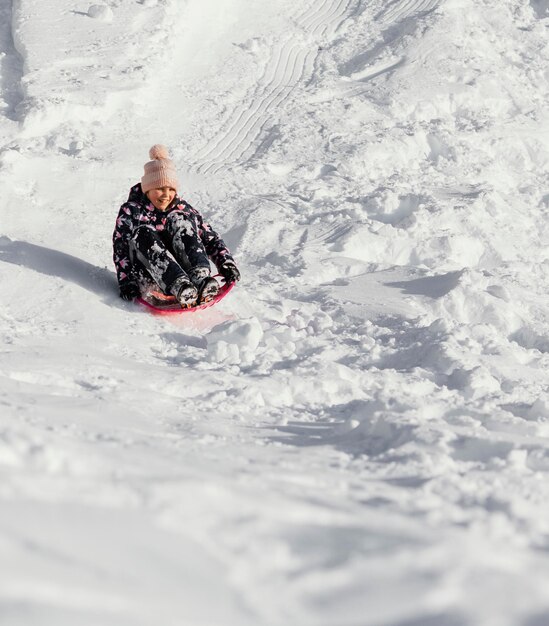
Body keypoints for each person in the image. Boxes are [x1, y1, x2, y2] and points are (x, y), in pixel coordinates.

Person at [113, 145, 240, 307]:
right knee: (144, 232)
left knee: (181, 221)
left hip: (188, 279)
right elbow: (121, 248)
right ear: (147, 189)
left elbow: (209, 238)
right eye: (159, 188)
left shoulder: (182, 209)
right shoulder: (131, 211)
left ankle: (199, 278)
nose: (166, 194)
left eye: (171, 189)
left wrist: (226, 263)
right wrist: (127, 282)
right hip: (147, 274)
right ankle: (177, 284)